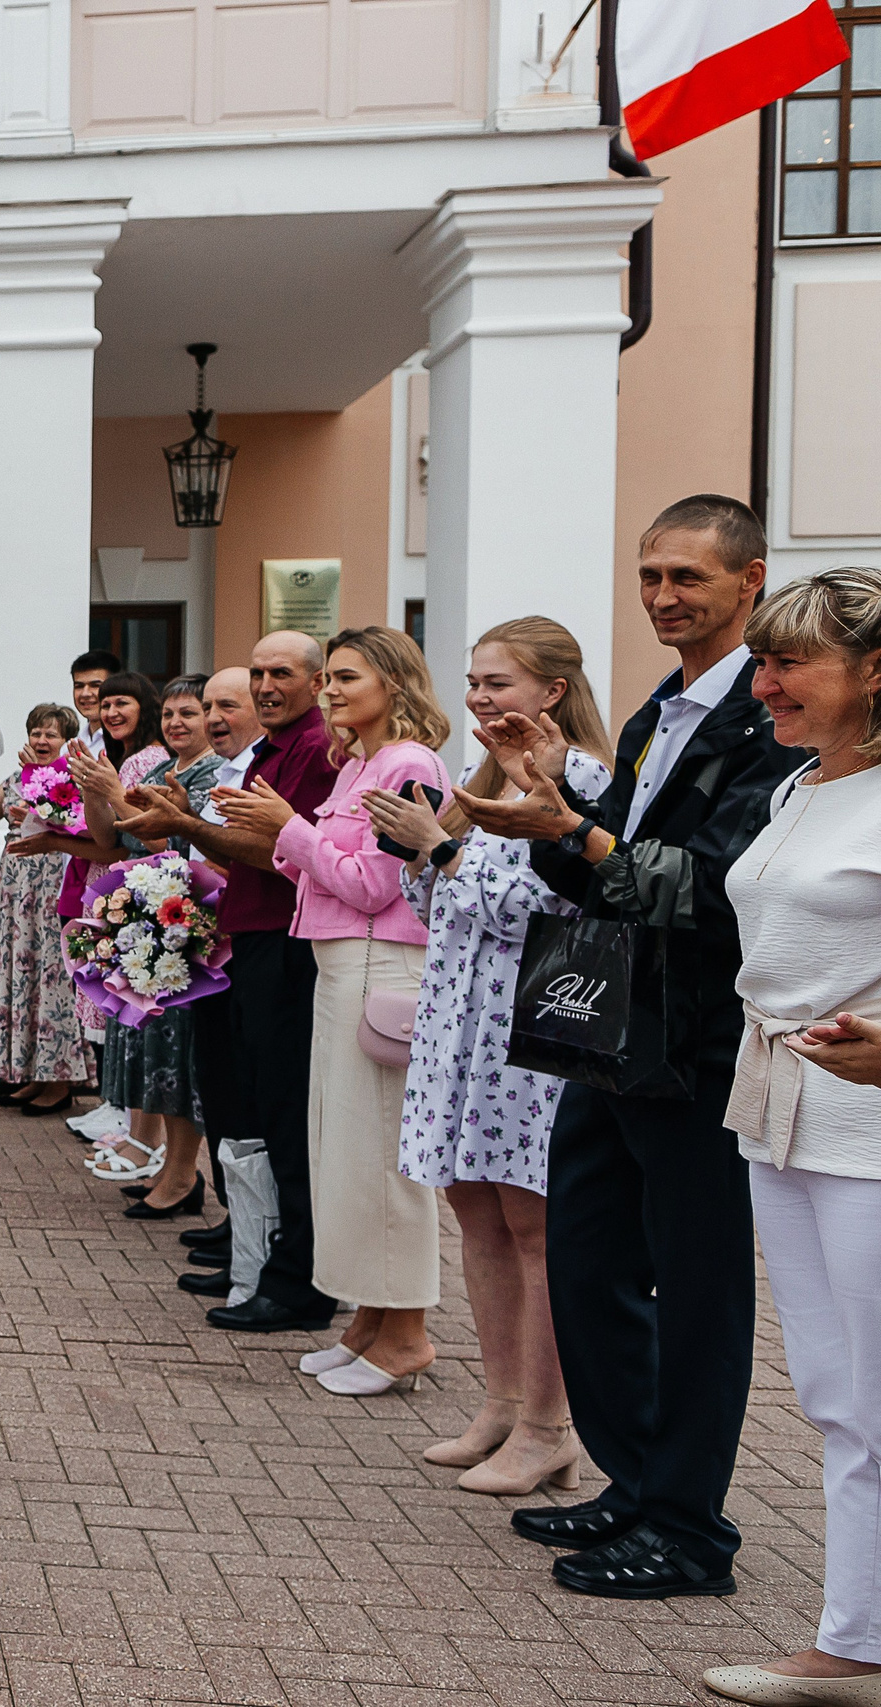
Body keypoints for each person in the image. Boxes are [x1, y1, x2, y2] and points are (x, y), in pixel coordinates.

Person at [464, 494, 786, 1599]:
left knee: (697, 1286)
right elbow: (603, 877)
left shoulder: (765, 716)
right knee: (589, 1256)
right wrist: (546, 806)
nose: (660, 597)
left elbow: (707, 891)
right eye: (650, 576)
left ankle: (689, 1529)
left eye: (685, 578)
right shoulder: (658, 711)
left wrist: (569, 826)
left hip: (699, 1037)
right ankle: (636, 1480)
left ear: (747, 582)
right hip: (611, 1024)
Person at [360, 620, 607, 1493]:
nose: (479, 697)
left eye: (499, 682)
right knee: (475, 1212)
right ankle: (501, 1402)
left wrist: (443, 849)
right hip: (460, 1021)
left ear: (552, 690)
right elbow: (436, 906)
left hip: (531, 1027)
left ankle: (550, 1423)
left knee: (537, 1228)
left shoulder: (576, 778)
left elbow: (548, 905)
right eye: (474, 681)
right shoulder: (483, 776)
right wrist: (426, 852)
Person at [703, 567, 881, 1705]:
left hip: (868, 1129)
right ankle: (855, 1640)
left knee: (872, 1394)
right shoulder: (794, 790)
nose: (762, 683)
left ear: (874, 674)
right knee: (831, 1392)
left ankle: (855, 1645)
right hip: (778, 1114)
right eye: (762, 661)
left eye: (788, 663)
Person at [219, 628, 449, 1392]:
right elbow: (329, 863)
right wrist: (289, 833)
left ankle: (406, 1332)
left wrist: (287, 826)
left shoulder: (410, 763)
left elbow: (373, 884)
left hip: (381, 966)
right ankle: (367, 1322)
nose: (333, 692)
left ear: (394, 681)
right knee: (341, 1154)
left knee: (382, 1155)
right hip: (338, 964)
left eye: (347, 677)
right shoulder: (359, 763)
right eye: (334, 680)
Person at [127, 634, 340, 1335]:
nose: (266, 684)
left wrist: (184, 823)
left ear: (316, 681)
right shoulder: (278, 752)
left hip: (287, 945)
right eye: (258, 672)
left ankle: (298, 1280)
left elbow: (285, 853)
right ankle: (259, 1258)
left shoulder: (312, 750)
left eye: (280, 673)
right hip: (249, 941)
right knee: (256, 1112)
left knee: (283, 1116)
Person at [81, 673, 222, 1218]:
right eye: (169, 714)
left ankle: (184, 1176)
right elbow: (109, 837)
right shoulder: (164, 770)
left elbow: (176, 843)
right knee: (154, 1054)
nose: (176, 723)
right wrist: (98, 794)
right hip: (148, 927)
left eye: (189, 713)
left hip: (188, 929)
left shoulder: (213, 775)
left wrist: (114, 791)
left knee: (177, 1059)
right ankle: (168, 1167)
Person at [0, 706, 87, 1113]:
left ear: (67, 741)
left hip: (53, 881)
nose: (42, 741)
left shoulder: (75, 777)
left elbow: (76, 825)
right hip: (15, 886)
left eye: (52, 735)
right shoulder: (14, 779)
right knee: (20, 975)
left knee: (50, 974)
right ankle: (28, 1073)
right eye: (36, 733)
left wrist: (40, 811)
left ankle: (58, 1080)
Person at [61, 674, 175, 1185]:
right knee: (117, 1010)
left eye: (121, 701)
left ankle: (137, 1126)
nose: (108, 711)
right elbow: (108, 828)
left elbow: (136, 838)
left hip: (145, 895)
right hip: (119, 890)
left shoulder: (146, 760)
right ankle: (125, 1116)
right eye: (104, 704)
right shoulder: (120, 759)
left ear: (144, 706)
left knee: (132, 1012)